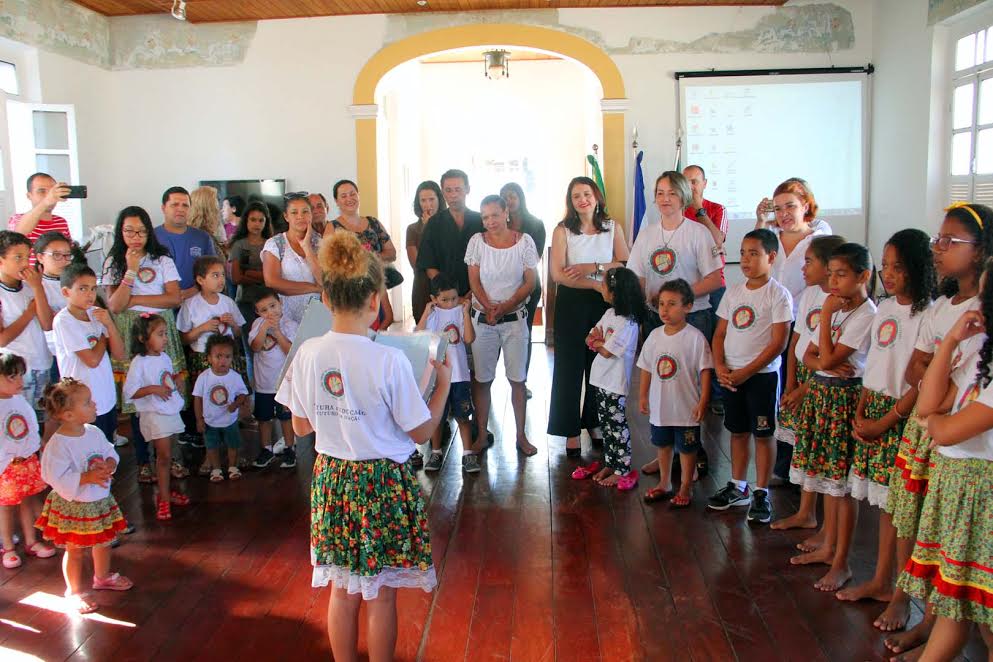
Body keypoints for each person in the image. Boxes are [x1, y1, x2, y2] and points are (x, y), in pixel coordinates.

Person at [277, 231, 449, 659]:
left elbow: (300, 427)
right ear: (376, 299)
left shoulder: (308, 353)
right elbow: (421, 432)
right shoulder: (387, 359)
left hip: (332, 479)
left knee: (342, 589)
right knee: (382, 594)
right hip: (382, 484)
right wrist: (441, 385)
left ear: (326, 297)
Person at [878, 202, 991, 657]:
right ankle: (922, 613)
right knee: (919, 524)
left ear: (982, 250)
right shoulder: (947, 309)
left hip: (962, 446)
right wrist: (940, 376)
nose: (939, 248)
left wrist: (938, 395)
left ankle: (935, 624)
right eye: (937, 240)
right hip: (936, 435)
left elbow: (950, 393)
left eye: (951, 241)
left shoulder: (982, 315)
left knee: (963, 570)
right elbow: (916, 372)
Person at [835, 230, 934, 615]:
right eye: (886, 265)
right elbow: (874, 365)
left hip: (902, 414)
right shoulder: (885, 307)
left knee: (902, 509)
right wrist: (862, 410)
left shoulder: (927, 314)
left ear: (917, 268)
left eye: (898, 267)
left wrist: (888, 419)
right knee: (884, 506)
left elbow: (921, 381)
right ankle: (880, 580)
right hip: (874, 406)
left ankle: (901, 595)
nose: (889, 274)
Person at [896, 270, 993, 662]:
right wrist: (951, 339)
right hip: (957, 489)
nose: (978, 306)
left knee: (985, 614)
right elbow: (928, 402)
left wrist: (934, 425)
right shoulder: (978, 349)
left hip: (982, 496)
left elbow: (948, 428)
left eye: (985, 297)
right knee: (958, 601)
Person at [787, 243, 877, 592]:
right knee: (826, 478)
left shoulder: (865, 314)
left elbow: (824, 360)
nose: (833, 280)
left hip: (843, 398)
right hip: (823, 395)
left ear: (863, 276)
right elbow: (809, 356)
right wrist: (823, 357)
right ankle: (828, 548)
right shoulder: (839, 308)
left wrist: (825, 318)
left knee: (842, 488)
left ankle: (842, 562)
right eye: (832, 273)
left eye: (841, 274)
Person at [630, 171, 721, 477]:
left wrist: (678, 298)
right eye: (659, 193)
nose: (665, 199)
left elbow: (713, 279)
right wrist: (647, 299)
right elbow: (639, 275)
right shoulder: (647, 234)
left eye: (671, 193)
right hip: (657, 318)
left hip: (694, 317)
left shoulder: (698, 233)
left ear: (683, 196)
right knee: (662, 386)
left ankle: (693, 454)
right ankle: (666, 453)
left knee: (691, 391)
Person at [708, 229, 792, 524]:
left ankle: (761, 491)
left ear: (771, 257)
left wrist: (745, 372)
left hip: (761, 378)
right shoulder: (733, 292)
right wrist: (720, 366)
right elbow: (719, 335)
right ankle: (738, 485)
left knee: (763, 434)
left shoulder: (778, 295)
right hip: (731, 376)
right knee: (737, 430)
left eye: (754, 253)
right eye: (742, 253)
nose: (745, 259)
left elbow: (778, 344)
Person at [103, 206, 186, 485]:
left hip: (160, 331)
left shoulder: (162, 259)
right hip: (131, 334)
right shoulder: (113, 261)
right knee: (139, 399)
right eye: (129, 231)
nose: (136, 237)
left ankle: (172, 456)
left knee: (168, 389)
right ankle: (143, 461)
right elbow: (114, 305)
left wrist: (136, 301)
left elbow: (173, 299)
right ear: (121, 232)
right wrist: (132, 270)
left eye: (141, 231)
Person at [547, 177, 629, 457]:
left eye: (586, 194)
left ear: (596, 197)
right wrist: (595, 282)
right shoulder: (562, 230)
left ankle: (594, 422)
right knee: (569, 367)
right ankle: (569, 430)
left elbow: (624, 261)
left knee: (599, 364)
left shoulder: (612, 226)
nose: (582, 200)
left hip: (604, 303)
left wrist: (592, 267)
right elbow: (558, 274)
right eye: (576, 196)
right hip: (572, 301)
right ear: (570, 202)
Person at [35, 379, 132, 614]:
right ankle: (75, 591)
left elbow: (109, 451)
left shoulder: (94, 432)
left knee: (103, 541)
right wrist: (87, 478)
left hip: (98, 501)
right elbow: (53, 476)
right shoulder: (58, 444)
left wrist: (110, 462)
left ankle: (102, 576)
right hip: (75, 505)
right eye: (88, 403)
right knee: (75, 550)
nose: (94, 405)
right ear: (68, 415)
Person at [771, 235, 846, 532]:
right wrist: (790, 383)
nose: (803, 268)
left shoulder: (842, 302)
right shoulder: (811, 294)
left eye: (809, 261)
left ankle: (819, 518)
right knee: (805, 445)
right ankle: (805, 511)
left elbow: (835, 364)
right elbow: (796, 343)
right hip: (801, 378)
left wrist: (804, 389)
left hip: (823, 384)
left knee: (820, 450)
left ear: (829, 266)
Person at [465, 194, 539, 458]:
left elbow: (530, 281)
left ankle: (521, 436)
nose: (490, 221)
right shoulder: (477, 242)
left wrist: (505, 306)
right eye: (485, 217)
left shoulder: (525, 242)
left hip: (514, 321)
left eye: (495, 215)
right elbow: (473, 280)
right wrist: (488, 306)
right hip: (483, 320)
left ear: (506, 212)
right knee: (482, 379)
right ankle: (482, 434)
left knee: (517, 380)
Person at [637, 279, 713, 507]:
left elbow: (705, 372)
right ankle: (664, 482)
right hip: (661, 406)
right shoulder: (654, 336)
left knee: (688, 448)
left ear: (688, 306)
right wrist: (643, 395)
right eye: (661, 304)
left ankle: (685, 486)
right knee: (663, 444)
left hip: (686, 407)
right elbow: (647, 368)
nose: (665, 310)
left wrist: (703, 401)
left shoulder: (695, 338)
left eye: (672, 304)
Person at [570, 267, 643, 489]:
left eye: (604, 286)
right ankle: (611, 463)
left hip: (614, 382)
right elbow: (590, 337)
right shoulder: (610, 314)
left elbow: (607, 352)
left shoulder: (628, 323)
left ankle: (623, 469)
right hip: (601, 380)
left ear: (615, 292)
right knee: (606, 425)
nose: (601, 288)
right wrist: (597, 342)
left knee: (617, 425)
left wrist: (598, 343)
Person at [123, 313, 190, 521]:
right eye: (160, 334)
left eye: (165, 334)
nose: (166, 338)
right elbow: (129, 391)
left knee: (168, 455)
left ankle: (166, 491)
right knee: (162, 457)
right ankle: (163, 496)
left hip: (168, 411)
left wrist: (176, 380)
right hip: (154, 414)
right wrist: (153, 389)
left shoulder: (164, 357)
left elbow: (166, 378)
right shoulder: (139, 362)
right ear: (143, 338)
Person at [52, 264, 126, 449]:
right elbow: (92, 360)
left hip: (104, 395)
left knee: (107, 447)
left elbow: (119, 354)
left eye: (93, 288)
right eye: (82, 288)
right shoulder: (64, 320)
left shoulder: (96, 314)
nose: (90, 294)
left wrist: (109, 324)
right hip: (81, 401)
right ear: (66, 292)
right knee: (89, 451)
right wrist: (103, 337)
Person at [0, 352, 56, 569]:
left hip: (27, 462)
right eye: (11, 377)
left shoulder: (20, 400)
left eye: (21, 376)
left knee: (27, 501)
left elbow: (31, 425)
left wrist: (38, 446)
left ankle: (31, 541)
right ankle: (8, 546)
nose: (19, 382)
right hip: (7, 466)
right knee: (5, 507)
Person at [416, 273, 475, 472]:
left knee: (463, 414)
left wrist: (466, 313)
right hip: (437, 377)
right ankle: (435, 452)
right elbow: (418, 336)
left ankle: (468, 454)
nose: (450, 304)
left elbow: (468, 338)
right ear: (434, 299)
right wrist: (426, 312)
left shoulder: (460, 311)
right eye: (444, 300)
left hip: (459, 375)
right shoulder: (433, 314)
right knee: (437, 416)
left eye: (453, 298)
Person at [0, 231, 54, 431]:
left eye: (27, 256)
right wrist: (29, 312)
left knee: (42, 422)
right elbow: (2, 339)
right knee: (18, 423)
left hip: (42, 362)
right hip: (15, 371)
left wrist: (38, 288)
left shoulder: (31, 286)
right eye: (18, 257)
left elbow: (47, 324)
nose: (25, 263)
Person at [754, 179, 832, 312]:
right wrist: (761, 221)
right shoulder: (771, 236)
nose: (783, 214)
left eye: (790, 206)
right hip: (770, 315)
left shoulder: (819, 239)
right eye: (778, 209)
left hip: (804, 317)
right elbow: (755, 264)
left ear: (805, 207)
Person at [328, 179, 397, 329]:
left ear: (358, 196)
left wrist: (368, 257)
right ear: (336, 201)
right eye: (344, 196)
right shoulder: (332, 227)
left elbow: (391, 253)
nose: (349, 199)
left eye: (352, 194)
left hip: (376, 286)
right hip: (350, 291)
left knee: (383, 324)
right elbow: (329, 263)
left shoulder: (374, 222)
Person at [501, 183, 547, 388]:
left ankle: (522, 381)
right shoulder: (497, 223)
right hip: (499, 287)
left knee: (522, 334)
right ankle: (491, 381)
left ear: (520, 197)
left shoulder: (535, 224)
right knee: (497, 334)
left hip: (528, 286)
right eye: (504, 196)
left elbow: (534, 258)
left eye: (512, 196)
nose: (509, 200)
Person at [248, 288, 298, 470]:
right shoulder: (257, 325)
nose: (270, 312)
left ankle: (289, 448)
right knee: (264, 418)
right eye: (264, 310)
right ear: (257, 313)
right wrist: (263, 329)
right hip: (264, 383)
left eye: (273, 306)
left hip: (284, 383)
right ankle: (266, 449)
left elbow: (291, 352)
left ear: (281, 303)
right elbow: (255, 346)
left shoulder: (290, 325)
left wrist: (277, 332)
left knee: (286, 418)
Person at [416, 169, 483, 297]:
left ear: (468, 189)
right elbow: (428, 264)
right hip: (444, 297)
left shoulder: (481, 221)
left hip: (479, 295)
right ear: (442, 192)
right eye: (448, 190)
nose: (453, 195)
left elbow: (489, 262)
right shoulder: (434, 223)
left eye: (458, 189)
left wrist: (473, 292)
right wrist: (448, 293)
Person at [193, 335, 249, 483]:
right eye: (218, 356)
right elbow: (197, 399)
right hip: (210, 421)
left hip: (230, 420)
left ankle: (232, 467)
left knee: (233, 444)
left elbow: (243, 394)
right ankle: (216, 469)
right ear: (209, 358)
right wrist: (199, 419)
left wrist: (236, 405)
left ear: (232, 359)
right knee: (212, 446)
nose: (223, 360)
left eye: (227, 357)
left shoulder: (235, 377)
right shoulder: (204, 377)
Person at [261, 194, 322, 326]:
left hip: (315, 314)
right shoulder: (275, 243)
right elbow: (272, 282)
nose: (300, 216)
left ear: (311, 215)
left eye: (305, 211)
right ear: (286, 216)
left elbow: (324, 281)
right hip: (285, 317)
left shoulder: (320, 242)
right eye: (294, 212)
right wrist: (314, 288)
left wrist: (307, 247)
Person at [154, 186, 217, 302]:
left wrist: (193, 290)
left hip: (195, 301)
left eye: (185, 205)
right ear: (163, 208)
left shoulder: (202, 238)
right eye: (175, 205)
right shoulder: (151, 237)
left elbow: (213, 271)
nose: (180, 209)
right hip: (160, 302)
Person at [682, 165, 728, 310]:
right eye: (686, 182)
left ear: (705, 183)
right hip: (686, 281)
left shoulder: (718, 209)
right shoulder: (678, 211)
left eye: (694, 182)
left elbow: (717, 241)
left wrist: (699, 210)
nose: (690, 186)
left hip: (713, 282)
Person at [7, 173, 72, 266]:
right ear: (29, 196)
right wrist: (47, 201)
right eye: (42, 191)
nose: (50, 195)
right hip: (29, 278)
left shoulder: (61, 221)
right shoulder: (17, 219)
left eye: (52, 191)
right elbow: (19, 234)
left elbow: (68, 252)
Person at [35, 231, 73, 387]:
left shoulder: (74, 281)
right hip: (51, 355)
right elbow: (48, 324)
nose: (64, 260)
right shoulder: (35, 286)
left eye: (67, 255)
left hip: (75, 349)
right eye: (56, 255)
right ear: (40, 257)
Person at [407, 181, 444, 324]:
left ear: (439, 200)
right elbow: (417, 263)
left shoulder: (448, 225)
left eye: (432, 199)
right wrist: (427, 229)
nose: (428, 204)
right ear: (418, 203)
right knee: (424, 338)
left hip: (446, 289)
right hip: (422, 288)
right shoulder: (412, 229)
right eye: (423, 200)